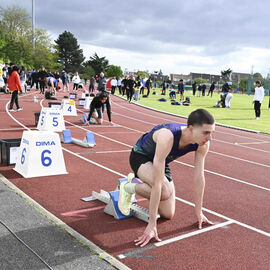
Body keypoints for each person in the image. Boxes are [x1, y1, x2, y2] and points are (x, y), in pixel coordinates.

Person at [118, 109, 215, 247]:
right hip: (141, 157)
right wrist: (152, 224)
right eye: (206, 132)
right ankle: (127, 187)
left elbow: (199, 177)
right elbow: (158, 183)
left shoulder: (203, 144)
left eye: (212, 132)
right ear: (191, 129)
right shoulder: (167, 136)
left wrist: (199, 212)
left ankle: (138, 182)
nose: (210, 138)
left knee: (168, 214)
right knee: (163, 190)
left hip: (162, 160)